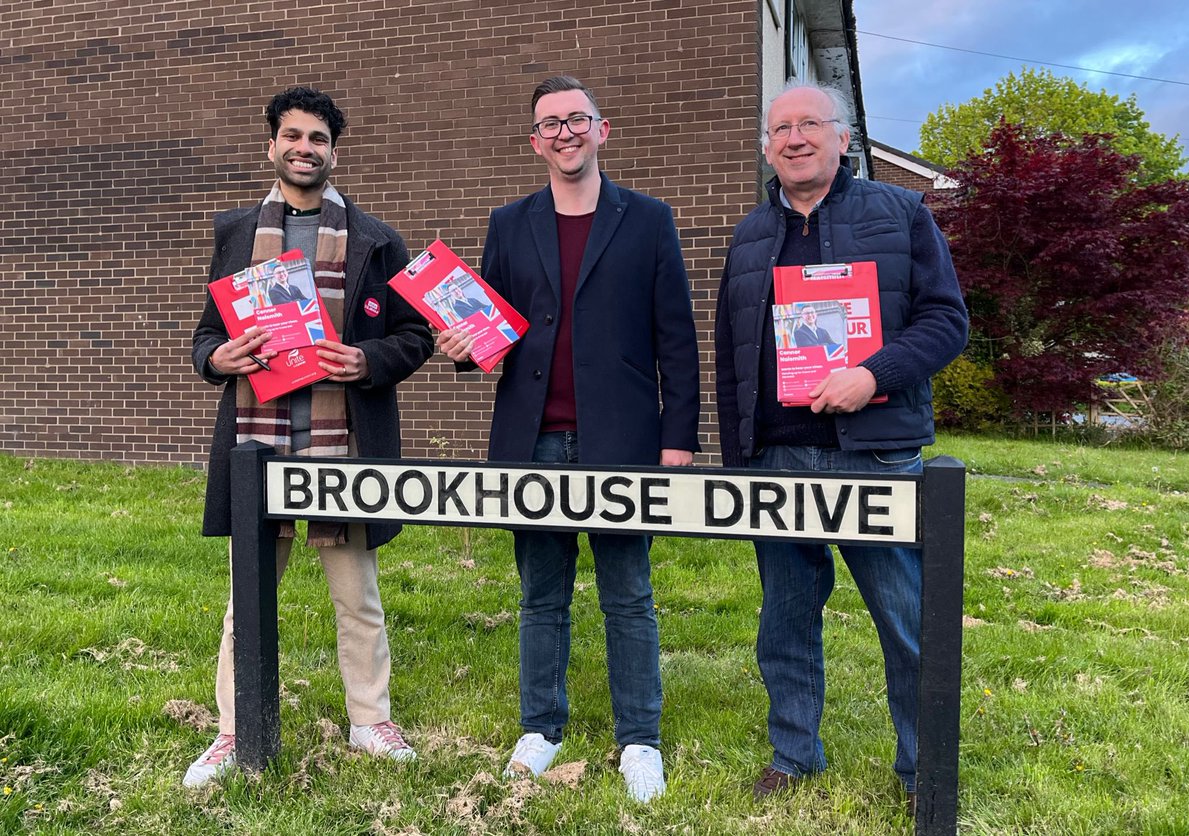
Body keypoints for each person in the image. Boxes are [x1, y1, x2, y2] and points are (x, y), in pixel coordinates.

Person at [437, 75, 700, 802]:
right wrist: (464, 348)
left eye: (576, 119)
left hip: (623, 439)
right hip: (533, 439)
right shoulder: (509, 222)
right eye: (550, 124)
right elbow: (490, 335)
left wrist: (677, 438)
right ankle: (540, 728)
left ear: (601, 129)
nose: (564, 133)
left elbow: (675, 337)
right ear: (535, 141)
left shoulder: (648, 219)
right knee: (540, 596)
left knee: (629, 596)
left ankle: (639, 738)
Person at [714, 80, 968, 812]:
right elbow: (733, 356)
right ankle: (795, 754)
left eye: (809, 125)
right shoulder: (748, 235)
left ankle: (923, 770)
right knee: (784, 622)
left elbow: (947, 322)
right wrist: (740, 461)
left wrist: (872, 374)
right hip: (778, 462)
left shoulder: (902, 213)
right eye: (780, 128)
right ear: (767, 145)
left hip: (875, 456)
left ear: (843, 137)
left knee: (907, 623)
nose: (794, 138)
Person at [187, 86, 433, 788]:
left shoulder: (376, 238)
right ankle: (234, 732)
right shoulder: (235, 233)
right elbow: (207, 335)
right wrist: (217, 358)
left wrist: (368, 360)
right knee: (247, 599)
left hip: (342, 448)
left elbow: (414, 335)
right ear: (272, 146)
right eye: (292, 136)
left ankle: (370, 720)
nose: (304, 147)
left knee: (357, 597)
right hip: (256, 449)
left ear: (333, 151)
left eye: (317, 138)